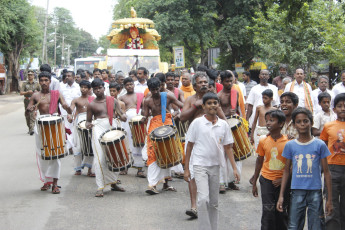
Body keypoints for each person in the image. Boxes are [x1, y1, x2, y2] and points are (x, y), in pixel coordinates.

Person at [184, 92, 240, 230]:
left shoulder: (223, 125)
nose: (212, 105)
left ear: (218, 105)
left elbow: (228, 147)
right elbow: (189, 146)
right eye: (209, 103)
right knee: (203, 200)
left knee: (214, 202)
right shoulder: (197, 123)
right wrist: (186, 169)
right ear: (203, 106)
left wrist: (234, 168)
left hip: (215, 165)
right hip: (199, 165)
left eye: (215, 103)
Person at [277, 108, 333, 229]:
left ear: (311, 123)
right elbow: (286, 171)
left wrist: (329, 199)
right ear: (294, 124)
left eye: (305, 121)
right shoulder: (290, 145)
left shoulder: (319, 145)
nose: (302, 124)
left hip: (315, 191)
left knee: (316, 225)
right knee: (294, 225)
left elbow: (327, 173)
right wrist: (281, 196)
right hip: (296, 191)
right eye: (299, 121)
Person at [180, 72, 226, 218]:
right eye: (200, 82)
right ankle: (194, 206)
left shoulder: (213, 100)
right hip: (194, 142)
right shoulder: (190, 99)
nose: (204, 84)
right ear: (194, 86)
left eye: (205, 82)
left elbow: (223, 120)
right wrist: (196, 106)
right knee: (193, 172)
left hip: (211, 142)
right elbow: (182, 118)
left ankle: (207, 204)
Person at [27, 71, 71, 194]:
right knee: (42, 154)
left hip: (55, 125)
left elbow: (65, 106)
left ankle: (55, 184)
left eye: (46, 80)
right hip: (41, 125)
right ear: (39, 82)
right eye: (42, 80)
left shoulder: (56, 94)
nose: (44, 82)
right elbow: (28, 109)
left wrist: (68, 109)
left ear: (50, 82)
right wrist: (30, 109)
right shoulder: (36, 95)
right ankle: (47, 181)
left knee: (56, 154)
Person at [141, 77, 183, 195]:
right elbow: (145, 114)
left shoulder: (167, 96)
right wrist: (143, 118)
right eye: (152, 90)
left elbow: (180, 105)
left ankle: (165, 184)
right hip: (154, 126)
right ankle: (152, 184)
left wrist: (177, 113)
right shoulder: (147, 100)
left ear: (160, 87)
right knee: (153, 154)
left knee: (167, 152)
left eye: (156, 89)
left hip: (167, 125)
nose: (155, 92)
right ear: (149, 89)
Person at [85, 78, 127, 197]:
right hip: (98, 130)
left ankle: (113, 183)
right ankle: (100, 187)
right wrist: (89, 125)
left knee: (114, 156)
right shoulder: (91, 104)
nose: (98, 90)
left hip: (112, 129)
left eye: (100, 88)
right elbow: (88, 122)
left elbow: (120, 113)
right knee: (100, 158)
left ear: (104, 88)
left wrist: (123, 116)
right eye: (95, 89)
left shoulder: (112, 101)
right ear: (93, 90)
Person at [252, 110, 289, 230]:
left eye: (272, 120)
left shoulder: (288, 142)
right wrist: (255, 181)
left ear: (281, 123)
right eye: (267, 120)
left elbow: (292, 165)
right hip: (266, 180)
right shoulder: (264, 140)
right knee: (268, 211)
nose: (268, 123)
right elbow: (260, 160)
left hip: (283, 182)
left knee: (281, 211)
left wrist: (282, 179)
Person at [320, 93, 345, 230]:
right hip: (332, 169)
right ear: (334, 109)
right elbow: (323, 147)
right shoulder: (328, 126)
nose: (343, 109)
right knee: (331, 202)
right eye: (339, 106)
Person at [217, 70, 243, 193]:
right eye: (226, 81)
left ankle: (233, 181)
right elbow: (217, 112)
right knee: (222, 155)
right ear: (221, 82)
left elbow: (238, 108)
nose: (229, 83)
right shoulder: (218, 96)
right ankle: (222, 182)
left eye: (231, 81)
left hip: (234, 124)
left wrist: (238, 115)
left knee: (236, 154)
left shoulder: (235, 92)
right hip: (222, 126)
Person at [119, 77, 146, 178]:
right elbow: (119, 110)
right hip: (126, 124)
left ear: (134, 85)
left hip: (138, 123)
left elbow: (145, 108)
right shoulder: (121, 98)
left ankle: (140, 169)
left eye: (131, 84)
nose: (129, 86)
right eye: (127, 85)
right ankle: (125, 167)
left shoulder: (140, 96)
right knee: (126, 144)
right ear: (124, 87)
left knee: (139, 144)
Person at [68, 80, 95, 177]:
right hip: (78, 124)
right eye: (81, 87)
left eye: (85, 87)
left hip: (90, 123)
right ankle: (78, 168)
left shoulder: (93, 99)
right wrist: (69, 115)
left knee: (90, 146)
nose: (83, 89)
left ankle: (90, 170)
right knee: (78, 146)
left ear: (89, 89)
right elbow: (70, 109)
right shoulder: (76, 100)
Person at [59, 71, 81, 154]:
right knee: (67, 130)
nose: (67, 77)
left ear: (74, 77)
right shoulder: (62, 87)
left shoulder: (78, 87)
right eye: (66, 76)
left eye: (69, 76)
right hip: (64, 112)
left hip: (76, 112)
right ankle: (69, 147)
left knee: (75, 129)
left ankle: (74, 146)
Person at [20, 70, 40, 135]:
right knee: (27, 114)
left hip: (34, 100)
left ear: (33, 76)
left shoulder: (37, 83)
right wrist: (27, 92)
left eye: (31, 75)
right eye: (29, 75)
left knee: (32, 114)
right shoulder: (25, 84)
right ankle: (29, 127)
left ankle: (32, 129)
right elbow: (21, 92)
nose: (30, 76)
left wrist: (36, 92)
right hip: (27, 100)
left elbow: (41, 92)